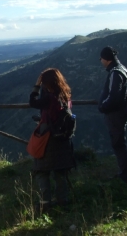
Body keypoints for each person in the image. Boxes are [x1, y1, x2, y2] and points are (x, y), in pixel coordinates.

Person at [29, 68, 75, 212]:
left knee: (42, 171)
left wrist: (36, 86)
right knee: (60, 171)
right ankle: (62, 200)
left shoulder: (49, 98)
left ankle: (45, 203)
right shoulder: (65, 95)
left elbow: (33, 102)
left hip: (49, 138)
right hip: (63, 139)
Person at [98, 46, 127, 183]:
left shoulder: (115, 73)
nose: (100, 61)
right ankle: (125, 172)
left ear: (106, 59)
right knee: (119, 143)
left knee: (118, 144)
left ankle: (125, 175)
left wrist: (102, 106)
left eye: (101, 58)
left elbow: (114, 96)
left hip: (116, 114)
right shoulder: (122, 68)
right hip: (121, 112)